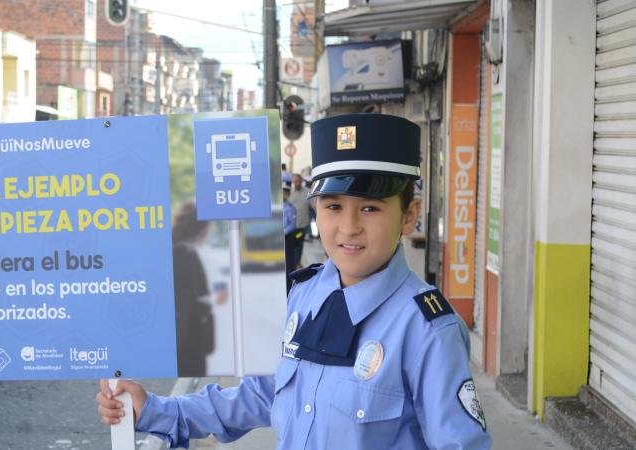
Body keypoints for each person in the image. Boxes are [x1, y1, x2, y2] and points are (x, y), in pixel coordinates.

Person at [96, 114, 492, 449]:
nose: (349, 228)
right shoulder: (302, 297)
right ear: (316, 208)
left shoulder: (427, 329)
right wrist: (153, 410)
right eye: (334, 206)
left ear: (409, 215)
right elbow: (261, 395)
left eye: (370, 208)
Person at [171, 202, 227, 376]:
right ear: (201, 228)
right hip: (190, 338)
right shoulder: (188, 254)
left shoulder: (170, 248)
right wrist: (217, 295)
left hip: (176, 336)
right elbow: (199, 300)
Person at [287, 173, 309, 267]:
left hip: (301, 225)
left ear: (302, 181)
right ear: (293, 182)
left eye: (299, 181)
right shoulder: (288, 193)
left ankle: (297, 262)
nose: (297, 183)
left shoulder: (308, 192)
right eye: (295, 181)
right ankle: (292, 262)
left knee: (299, 244)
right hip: (290, 226)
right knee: (290, 246)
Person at [282, 182, 297, 292]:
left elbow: (292, 225)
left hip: (286, 239)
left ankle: (288, 290)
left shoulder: (290, 208)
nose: (283, 194)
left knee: (287, 267)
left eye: (285, 192)